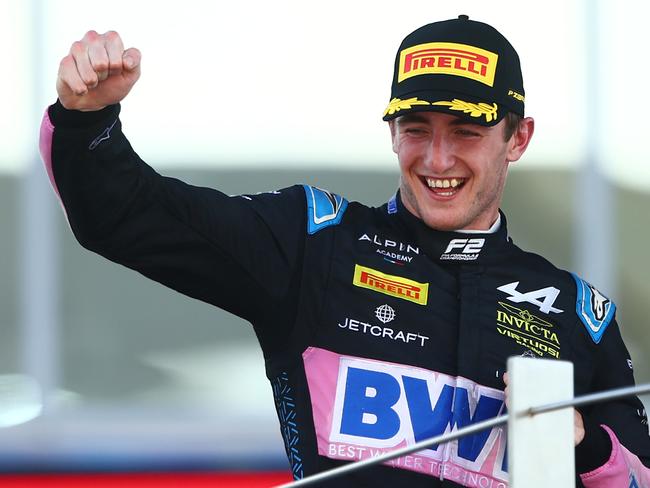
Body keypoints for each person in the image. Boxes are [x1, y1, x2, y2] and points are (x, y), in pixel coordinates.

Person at [40, 15, 650, 487]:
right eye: (416, 130)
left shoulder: (576, 315)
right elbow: (126, 218)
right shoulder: (315, 243)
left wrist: (587, 446)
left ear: (517, 138)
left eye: (465, 132)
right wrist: (85, 120)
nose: (437, 160)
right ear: (391, 132)